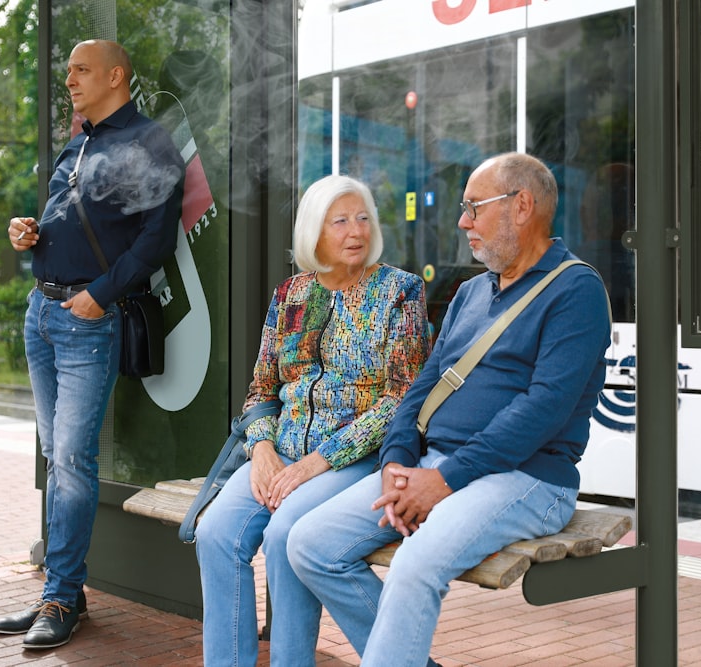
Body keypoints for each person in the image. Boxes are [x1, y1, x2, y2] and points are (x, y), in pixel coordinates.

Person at [287, 152, 611, 667]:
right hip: (436, 466)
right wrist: (397, 462)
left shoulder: (576, 290)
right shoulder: (470, 292)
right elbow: (423, 388)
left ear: (522, 206)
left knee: (415, 563)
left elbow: (543, 410)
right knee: (309, 543)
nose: (463, 222)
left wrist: (444, 480)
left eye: (474, 208)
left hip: (529, 477)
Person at [0, 40, 184, 649]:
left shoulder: (150, 144)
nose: (68, 78)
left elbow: (156, 239)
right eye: (67, 69)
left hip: (85, 321)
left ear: (115, 75)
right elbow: (73, 221)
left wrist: (102, 293)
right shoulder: (80, 141)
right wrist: (32, 233)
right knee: (59, 460)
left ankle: (60, 596)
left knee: (71, 462)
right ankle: (62, 590)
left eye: (79, 69)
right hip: (41, 315)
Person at [195, 174, 431, 667]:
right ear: (313, 232)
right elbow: (262, 387)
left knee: (284, 537)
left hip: (353, 456)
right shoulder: (291, 295)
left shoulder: (399, 291)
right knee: (216, 531)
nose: (355, 231)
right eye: (340, 220)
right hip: (280, 451)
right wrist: (261, 450)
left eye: (362, 218)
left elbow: (401, 399)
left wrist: (318, 462)